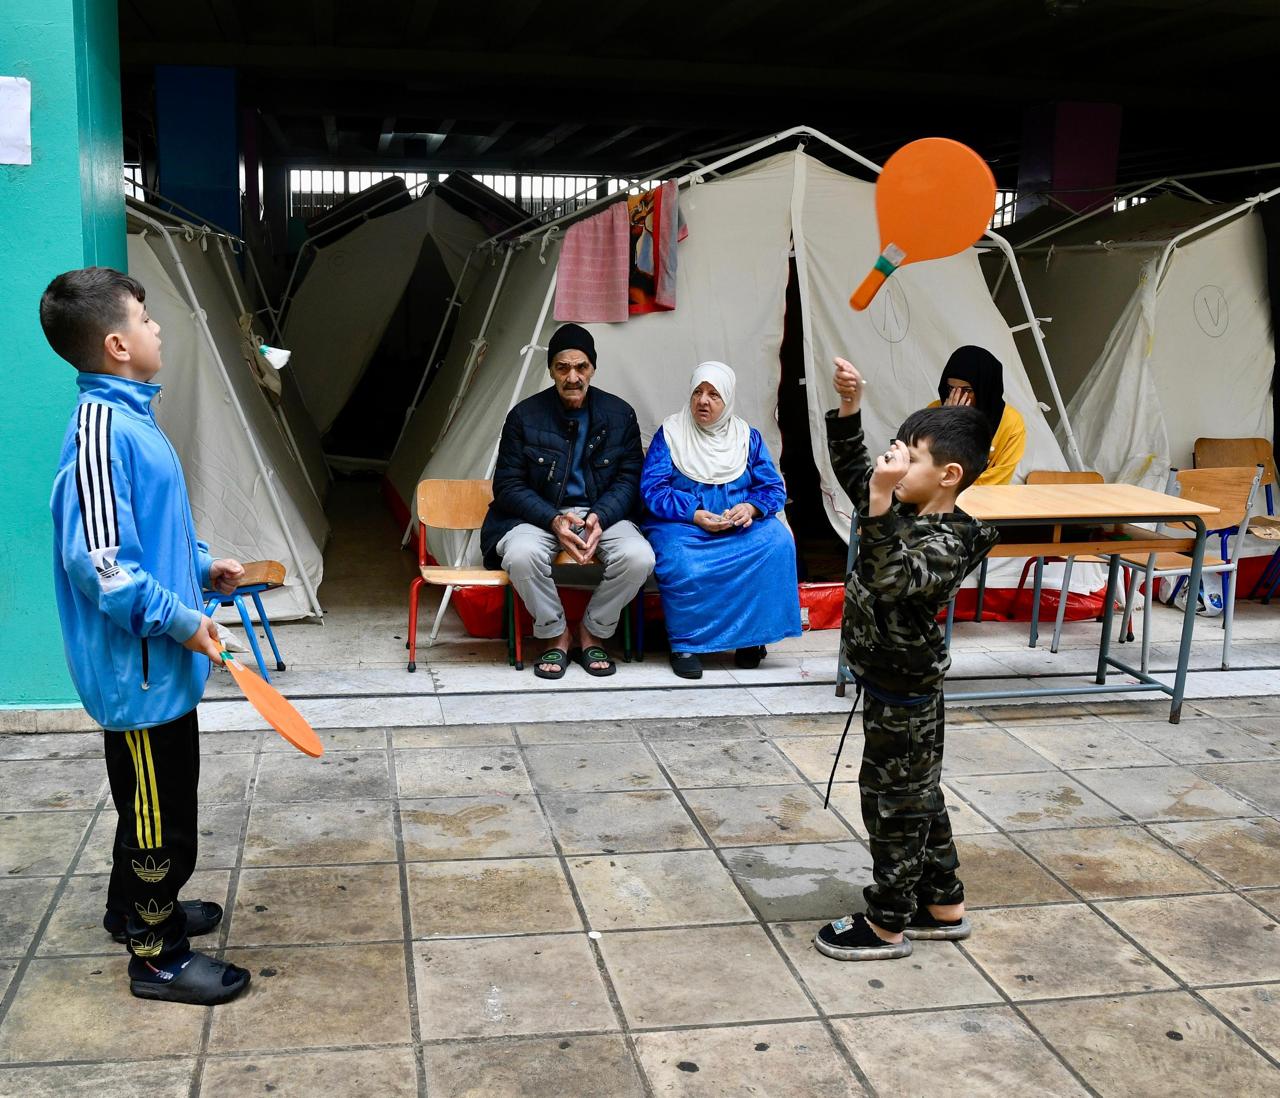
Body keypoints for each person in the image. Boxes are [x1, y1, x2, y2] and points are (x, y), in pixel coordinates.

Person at [42, 267, 251, 1004]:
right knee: (159, 822)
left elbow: (151, 536)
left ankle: (128, 908)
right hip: (139, 672)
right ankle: (157, 954)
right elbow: (107, 571)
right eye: (145, 317)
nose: (157, 327)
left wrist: (201, 566)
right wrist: (187, 622)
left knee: (155, 803)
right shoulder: (101, 434)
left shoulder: (131, 418)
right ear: (117, 344)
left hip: (158, 665)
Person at [815, 354, 998, 962]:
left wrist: (877, 496)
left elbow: (888, 576)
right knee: (920, 795)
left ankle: (887, 922)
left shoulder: (946, 541)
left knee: (893, 805)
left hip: (908, 695)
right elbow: (856, 473)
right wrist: (850, 410)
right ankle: (943, 903)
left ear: (948, 475)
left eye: (910, 458)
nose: (895, 465)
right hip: (889, 684)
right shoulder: (905, 510)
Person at [481, 323, 654, 679]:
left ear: (593, 368)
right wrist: (553, 520)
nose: (572, 377)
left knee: (639, 558)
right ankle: (556, 633)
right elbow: (508, 485)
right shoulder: (523, 417)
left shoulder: (620, 414)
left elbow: (629, 479)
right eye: (562, 367)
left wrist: (601, 516)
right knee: (520, 555)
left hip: (601, 515)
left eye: (580, 367)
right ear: (550, 370)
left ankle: (593, 630)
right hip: (539, 517)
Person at [640, 361, 801, 679]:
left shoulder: (747, 437)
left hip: (739, 527)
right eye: (697, 392)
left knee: (778, 543)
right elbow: (653, 489)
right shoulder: (671, 434)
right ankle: (686, 645)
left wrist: (751, 508)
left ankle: (750, 639)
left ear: (727, 399)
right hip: (684, 526)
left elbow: (772, 488)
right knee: (682, 561)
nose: (703, 401)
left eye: (714, 394)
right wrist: (694, 513)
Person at [930, 345, 1026, 485]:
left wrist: (951, 486)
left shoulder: (1010, 422)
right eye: (951, 388)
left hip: (982, 495)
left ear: (984, 389)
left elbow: (999, 477)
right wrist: (946, 423)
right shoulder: (934, 410)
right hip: (934, 493)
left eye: (966, 390)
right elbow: (923, 462)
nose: (957, 396)